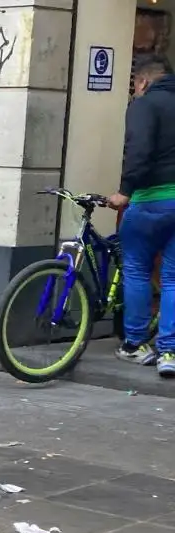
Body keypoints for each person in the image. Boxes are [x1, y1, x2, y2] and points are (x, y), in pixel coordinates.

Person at [109, 53, 175, 377]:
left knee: (135, 268)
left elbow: (139, 150)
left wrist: (124, 191)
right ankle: (169, 352)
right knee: (174, 277)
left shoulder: (144, 105)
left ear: (143, 81)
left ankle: (135, 345)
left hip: (151, 200)